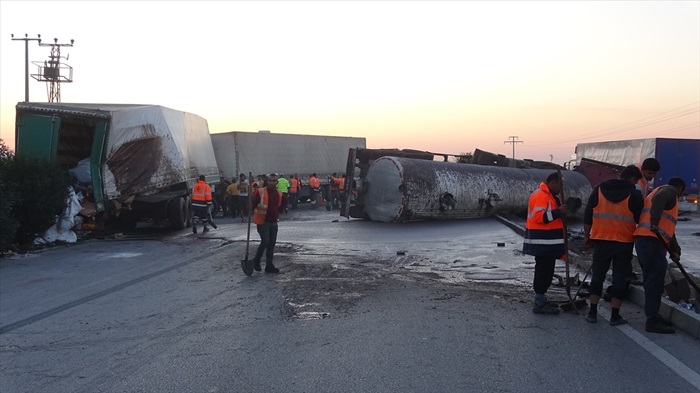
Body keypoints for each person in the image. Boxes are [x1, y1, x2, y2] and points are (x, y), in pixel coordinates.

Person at [582, 165, 644, 326]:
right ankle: (615, 316)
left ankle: (592, 312)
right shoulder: (635, 195)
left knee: (597, 276)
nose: (636, 183)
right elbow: (641, 220)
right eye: (636, 180)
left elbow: (588, 215)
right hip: (624, 243)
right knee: (619, 278)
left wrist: (587, 237)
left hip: (601, 240)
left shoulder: (599, 189)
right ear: (632, 178)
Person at [633, 177, 686, 334]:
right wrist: (654, 222)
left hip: (648, 242)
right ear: (680, 188)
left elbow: (668, 230)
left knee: (653, 280)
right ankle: (652, 321)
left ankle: (654, 315)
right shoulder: (669, 191)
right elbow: (662, 199)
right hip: (650, 242)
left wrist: (675, 250)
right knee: (654, 283)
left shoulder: (654, 192)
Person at [522, 172, 569, 315]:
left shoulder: (550, 196)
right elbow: (539, 217)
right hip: (542, 241)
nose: (561, 189)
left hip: (548, 242)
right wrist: (557, 212)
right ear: (553, 183)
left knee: (547, 271)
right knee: (543, 271)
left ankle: (541, 299)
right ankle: (539, 302)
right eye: (560, 185)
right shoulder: (540, 195)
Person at [251, 173, 288, 273]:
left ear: (277, 182)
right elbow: (254, 203)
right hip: (263, 221)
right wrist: (250, 209)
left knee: (271, 244)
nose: (272, 182)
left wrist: (278, 210)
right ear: (267, 181)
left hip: (273, 221)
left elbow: (285, 202)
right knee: (266, 242)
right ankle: (256, 261)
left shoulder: (279, 193)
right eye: (270, 180)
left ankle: (269, 265)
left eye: (274, 181)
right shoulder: (261, 192)